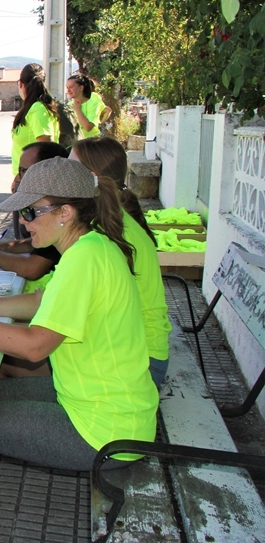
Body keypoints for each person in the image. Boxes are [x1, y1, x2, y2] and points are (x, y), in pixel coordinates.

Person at [0, 157, 158, 543]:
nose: (24, 221)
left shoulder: (84, 259)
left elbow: (35, 345)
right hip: (103, 405)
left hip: (104, 430)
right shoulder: (91, 246)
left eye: (31, 211)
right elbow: (41, 303)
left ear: (65, 213)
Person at [71, 136, 171, 387]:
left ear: (90, 177)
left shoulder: (104, 230)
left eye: (69, 167)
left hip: (140, 362)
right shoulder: (115, 218)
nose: (62, 172)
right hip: (140, 352)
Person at [0, 142, 69, 283]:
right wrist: (2, 247)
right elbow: (36, 243)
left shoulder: (55, 218)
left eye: (24, 171)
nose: (18, 178)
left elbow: (32, 269)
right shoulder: (53, 223)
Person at [10, 63, 59, 176]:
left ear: (21, 84)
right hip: (26, 178)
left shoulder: (38, 109)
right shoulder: (32, 108)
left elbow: (46, 148)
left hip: (33, 179)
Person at [66, 74, 110, 139]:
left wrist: (78, 110)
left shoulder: (94, 104)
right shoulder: (68, 106)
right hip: (75, 143)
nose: (68, 90)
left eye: (71, 87)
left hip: (91, 143)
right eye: (67, 88)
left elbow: (88, 127)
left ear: (81, 88)